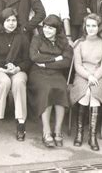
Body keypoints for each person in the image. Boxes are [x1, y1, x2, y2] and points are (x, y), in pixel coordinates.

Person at [0, 8, 30, 141]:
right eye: (8, 20)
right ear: (2, 22)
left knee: (18, 82)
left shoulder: (22, 38)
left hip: (17, 71)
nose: (11, 23)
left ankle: (21, 123)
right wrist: (2, 70)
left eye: (14, 20)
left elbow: (28, 61)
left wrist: (17, 68)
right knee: (4, 82)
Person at [28, 15, 73, 148]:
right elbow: (34, 57)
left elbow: (66, 62)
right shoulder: (37, 38)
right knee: (46, 89)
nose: (47, 31)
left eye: (51, 29)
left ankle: (58, 130)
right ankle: (46, 131)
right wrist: (55, 58)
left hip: (56, 73)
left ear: (57, 30)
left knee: (61, 89)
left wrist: (47, 63)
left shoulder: (63, 41)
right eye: (46, 27)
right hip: (38, 73)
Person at [70, 14, 102, 151]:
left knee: (94, 93)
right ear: (84, 27)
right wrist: (88, 76)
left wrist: (95, 76)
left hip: (99, 76)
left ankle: (92, 135)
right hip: (82, 75)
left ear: (99, 27)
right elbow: (78, 65)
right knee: (85, 92)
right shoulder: (78, 43)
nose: (91, 28)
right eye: (88, 26)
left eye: (94, 26)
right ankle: (79, 133)